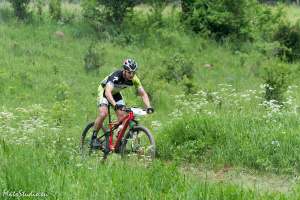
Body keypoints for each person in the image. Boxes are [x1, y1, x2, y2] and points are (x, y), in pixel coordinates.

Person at [91, 58, 154, 147]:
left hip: (116, 93)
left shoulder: (134, 79)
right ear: (124, 70)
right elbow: (108, 92)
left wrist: (148, 106)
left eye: (134, 72)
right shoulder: (116, 76)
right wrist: (115, 105)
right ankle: (93, 138)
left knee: (123, 117)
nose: (131, 75)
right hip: (104, 91)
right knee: (103, 113)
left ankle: (118, 139)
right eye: (129, 72)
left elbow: (143, 93)